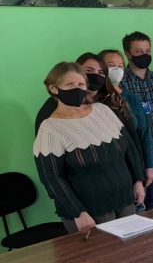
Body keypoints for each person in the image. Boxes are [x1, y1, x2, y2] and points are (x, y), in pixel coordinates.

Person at [33, 62, 145, 233]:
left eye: (81, 84)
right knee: (104, 250)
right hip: (90, 211)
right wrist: (78, 212)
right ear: (54, 89)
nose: (77, 89)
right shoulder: (50, 129)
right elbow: (51, 178)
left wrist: (138, 181)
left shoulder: (103, 110)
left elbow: (130, 148)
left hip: (124, 198)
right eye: (69, 84)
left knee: (131, 247)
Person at [119, 31, 153, 210]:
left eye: (147, 51)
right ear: (127, 53)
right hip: (136, 153)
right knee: (138, 203)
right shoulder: (120, 83)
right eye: (138, 51)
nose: (144, 55)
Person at [99, 49, 153, 194]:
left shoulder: (131, 98)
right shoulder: (95, 100)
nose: (116, 70)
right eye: (111, 65)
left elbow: (145, 133)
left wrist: (149, 166)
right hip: (108, 168)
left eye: (120, 66)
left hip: (135, 164)